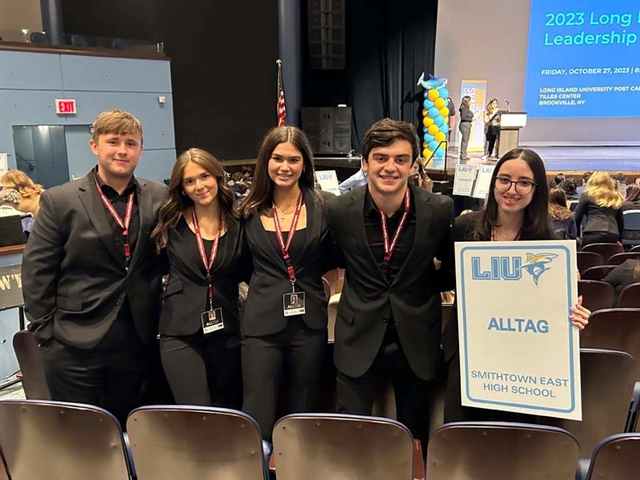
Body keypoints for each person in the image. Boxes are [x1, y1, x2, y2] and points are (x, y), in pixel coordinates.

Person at [21, 109, 169, 426]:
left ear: (141, 150)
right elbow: (37, 272)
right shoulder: (60, 200)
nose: (122, 150)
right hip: (74, 344)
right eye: (113, 141)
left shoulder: (158, 195)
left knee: (135, 432)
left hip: (139, 340)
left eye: (131, 143)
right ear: (94, 146)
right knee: (82, 438)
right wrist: (47, 335)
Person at [326, 118, 454, 449]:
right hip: (357, 336)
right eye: (381, 158)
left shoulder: (439, 210)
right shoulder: (339, 210)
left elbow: (452, 269)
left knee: (414, 440)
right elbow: (329, 259)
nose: (390, 167)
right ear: (365, 163)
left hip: (416, 337)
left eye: (400, 159)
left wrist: (422, 286)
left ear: (413, 165)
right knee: (351, 437)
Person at [441, 148, 591, 423]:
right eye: (505, 179)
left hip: (524, 366)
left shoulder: (551, 244)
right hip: (468, 359)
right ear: (494, 181)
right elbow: (447, 280)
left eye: (524, 182)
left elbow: (556, 306)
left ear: (537, 189)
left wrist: (574, 315)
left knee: (514, 449)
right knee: (464, 443)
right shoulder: (464, 227)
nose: (512, 189)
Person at [239, 126, 334, 443]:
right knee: (258, 413)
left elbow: (336, 258)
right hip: (261, 326)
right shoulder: (247, 210)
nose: (285, 166)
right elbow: (236, 264)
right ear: (265, 161)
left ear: (305, 164)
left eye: (294, 159)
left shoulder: (324, 207)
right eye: (277, 158)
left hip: (309, 325)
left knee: (304, 412)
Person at [151, 148, 247, 408]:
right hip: (180, 332)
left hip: (227, 329)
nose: (199, 186)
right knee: (195, 414)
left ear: (217, 177)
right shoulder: (169, 223)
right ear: (181, 188)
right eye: (189, 181)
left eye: (204, 177)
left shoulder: (240, 223)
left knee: (226, 409)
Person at [574, 172, 623, 248]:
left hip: (592, 233)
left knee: (583, 257)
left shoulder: (587, 195)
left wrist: (576, 236)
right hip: (612, 234)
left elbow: (577, 217)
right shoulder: (615, 196)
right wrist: (619, 239)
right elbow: (620, 221)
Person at [458, 96, 474, 161]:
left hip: (466, 125)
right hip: (465, 125)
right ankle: (463, 155)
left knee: (465, 140)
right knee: (465, 140)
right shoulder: (464, 108)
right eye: (470, 101)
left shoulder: (466, 108)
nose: (471, 102)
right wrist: (471, 119)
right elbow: (463, 117)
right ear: (466, 101)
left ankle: (464, 154)